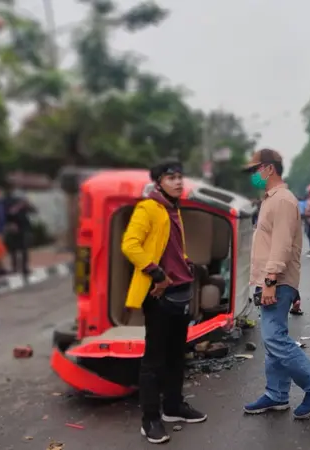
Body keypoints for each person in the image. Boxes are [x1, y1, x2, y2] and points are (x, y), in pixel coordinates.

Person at [242, 149, 310, 419]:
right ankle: (277, 394)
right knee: (274, 338)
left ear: (269, 168)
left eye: (255, 170)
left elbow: (281, 246)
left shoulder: (282, 201)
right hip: (274, 280)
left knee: (274, 338)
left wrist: (271, 280)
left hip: (276, 281)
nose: (253, 176)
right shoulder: (272, 199)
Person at [121, 158, 206, 445]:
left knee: (176, 355)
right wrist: (156, 272)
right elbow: (130, 244)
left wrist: (184, 262)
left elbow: (168, 246)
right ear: (158, 182)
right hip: (159, 294)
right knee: (154, 360)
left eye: (180, 177)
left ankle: (173, 407)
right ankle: (150, 419)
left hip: (181, 290)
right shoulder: (148, 208)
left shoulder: (172, 209)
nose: (178, 182)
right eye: (171, 178)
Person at [4, 189, 35, 276]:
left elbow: (34, 211)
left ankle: (25, 267)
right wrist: (19, 205)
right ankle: (14, 267)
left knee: (24, 248)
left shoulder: (25, 205)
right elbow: (10, 213)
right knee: (13, 249)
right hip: (13, 228)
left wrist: (28, 204)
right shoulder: (9, 203)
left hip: (24, 227)